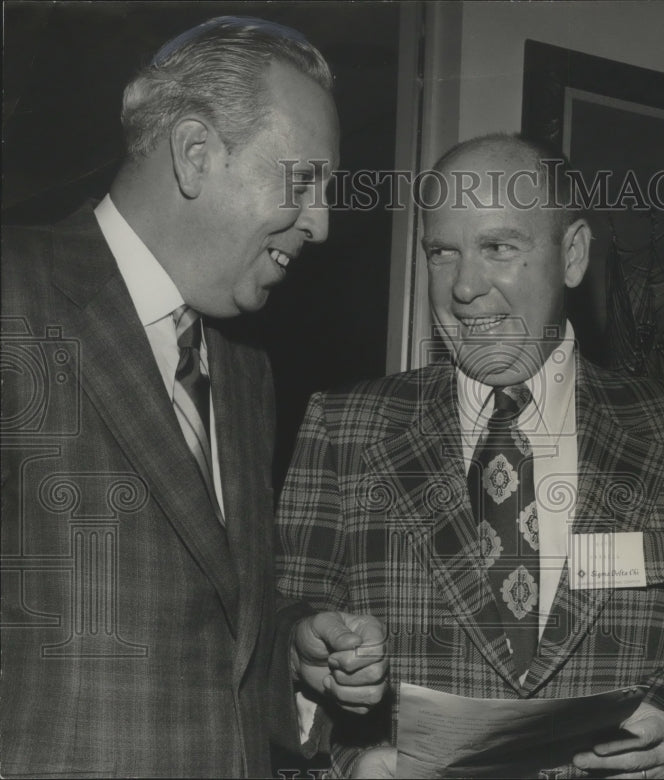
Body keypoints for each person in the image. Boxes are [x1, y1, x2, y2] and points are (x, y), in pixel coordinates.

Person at [276, 133, 664, 778]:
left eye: (498, 247)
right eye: (442, 252)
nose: (464, 287)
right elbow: (284, 622)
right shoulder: (345, 428)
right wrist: (330, 702)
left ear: (572, 255)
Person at [0, 17, 386, 778]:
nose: (322, 222)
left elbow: (212, 633)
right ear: (196, 153)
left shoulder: (243, 369)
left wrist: (295, 650)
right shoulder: (15, 292)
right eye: (303, 181)